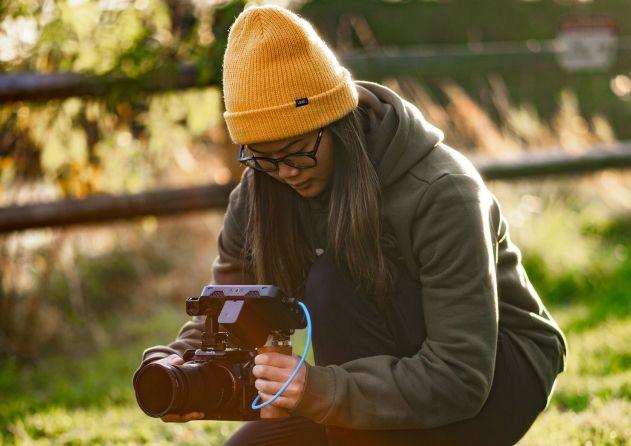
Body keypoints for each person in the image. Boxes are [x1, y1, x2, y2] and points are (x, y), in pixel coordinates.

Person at [134, 5, 568, 446]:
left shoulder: (441, 191)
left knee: (332, 277)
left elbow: (460, 374)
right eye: (262, 157)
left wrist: (318, 389)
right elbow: (229, 309)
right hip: (368, 381)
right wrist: (175, 366)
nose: (285, 172)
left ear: (337, 123)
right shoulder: (259, 191)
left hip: (494, 373)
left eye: (298, 150)